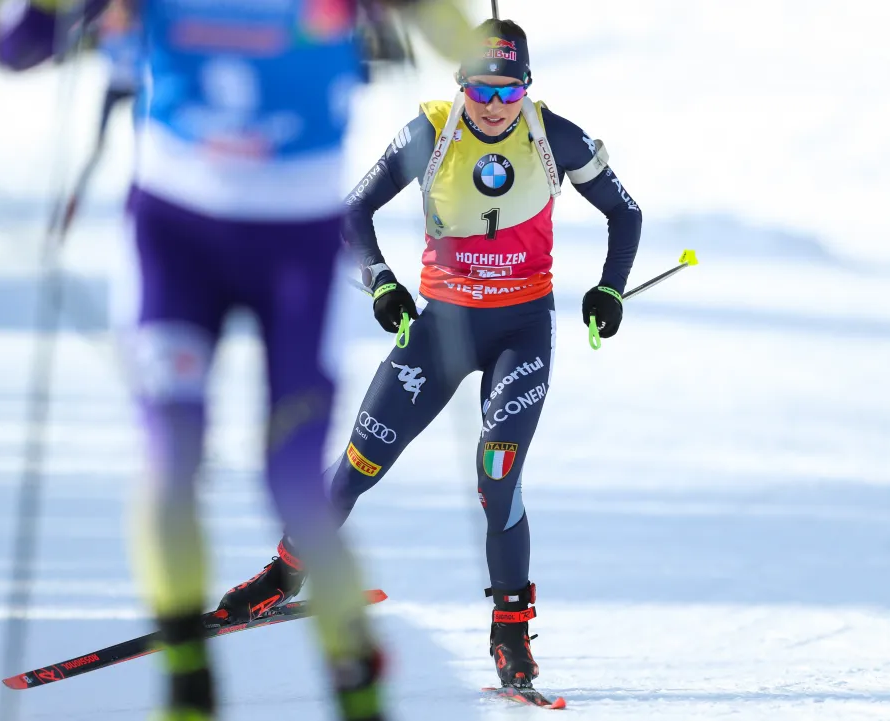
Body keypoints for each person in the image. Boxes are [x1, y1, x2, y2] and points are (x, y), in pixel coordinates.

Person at [0, 2, 473, 720]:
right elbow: (17, 48)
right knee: (170, 452)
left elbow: (462, 49)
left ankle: (357, 680)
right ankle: (189, 680)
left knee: (293, 480)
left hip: (295, 247)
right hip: (174, 237)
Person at [218, 17, 643, 691]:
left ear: (526, 89)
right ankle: (284, 572)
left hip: (520, 331)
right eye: (481, 91)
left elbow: (626, 213)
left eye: (508, 93)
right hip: (440, 324)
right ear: (461, 87)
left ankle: (510, 633)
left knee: (495, 474)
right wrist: (381, 284)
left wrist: (609, 290)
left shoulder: (551, 135)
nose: (495, 107)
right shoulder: (432, 132)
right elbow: (349, 213)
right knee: (361, 458)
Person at [56, 0, 142, 236]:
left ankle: (137, 214)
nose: (120, 16)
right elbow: (78, 26)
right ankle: (69, 212)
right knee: (96, 150)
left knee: (143, 154)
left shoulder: (141, 25)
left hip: (138, 89)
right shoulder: (107, 25)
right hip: (114, 89)